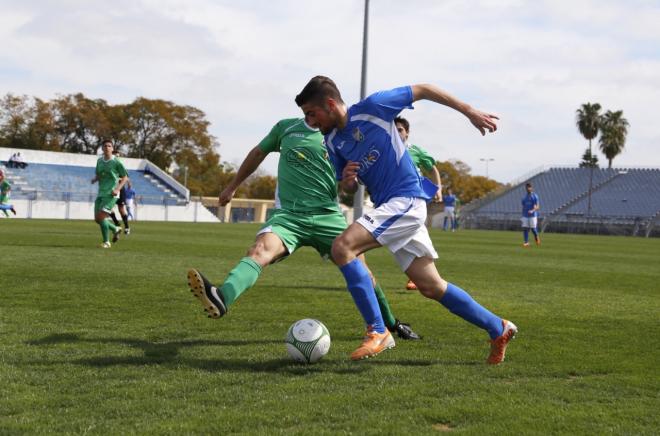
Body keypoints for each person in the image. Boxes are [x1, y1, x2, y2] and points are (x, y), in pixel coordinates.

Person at [295, 76, 517, 364]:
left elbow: (423, 89)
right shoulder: (333, 140)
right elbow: (347, 187)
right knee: (431, 286)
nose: (310, 122)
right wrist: (349, 181)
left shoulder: (373, 107)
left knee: (342, 248)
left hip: (407, 200)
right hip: (390, 206)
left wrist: (469, 110)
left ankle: (378, 330)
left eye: (311, 114)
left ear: (329, 103)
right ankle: (497, 327)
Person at [186, 117, 421, 351]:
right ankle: (222, 297)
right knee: (259, 250)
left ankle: (390, 324)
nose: (308, 112)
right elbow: (258, 153)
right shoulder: (286, 128)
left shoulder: (341, 138)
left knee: (363, 272)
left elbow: (348, 186)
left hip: (328, 216)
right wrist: (232, 186)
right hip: (290, 216)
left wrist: (350, 182)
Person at [394, 116, 442, 291]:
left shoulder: (415, 151)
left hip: (414, 202)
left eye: (400, 129)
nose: (397, 132)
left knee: (414, 241)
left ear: (407, 133)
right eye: (394, 129)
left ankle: (421, 277)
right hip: (392, 202)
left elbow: (432, 168)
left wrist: (438, 188)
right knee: (408, 242)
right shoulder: (386, 150)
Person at [91, 140, 128, 248]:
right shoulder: (99, 161)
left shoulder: (117, 162)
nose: (107, 147)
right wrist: (95, 179)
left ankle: (106, 242)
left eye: (109, 146)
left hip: (111, 194)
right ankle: (115, 229)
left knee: (101, 217)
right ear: (102, 149)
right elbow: (99, 174)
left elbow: (125, 177)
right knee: (97, 219)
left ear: (112, 149)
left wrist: (117, 189)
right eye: (105, 146)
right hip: (101, 193)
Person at [521, 182, 540, 247]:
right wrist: (522, 215)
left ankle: (536, 236)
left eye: (529, 187)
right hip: (525, 215)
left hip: (533, 215)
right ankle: (526, 242)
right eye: (527, 187)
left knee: (533, 229)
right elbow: (523, 206)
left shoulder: (535, 196)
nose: (527, 188)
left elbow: (537, 207)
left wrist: (532, 210)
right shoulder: (524, 197)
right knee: (525, 228)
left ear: (531, 188)